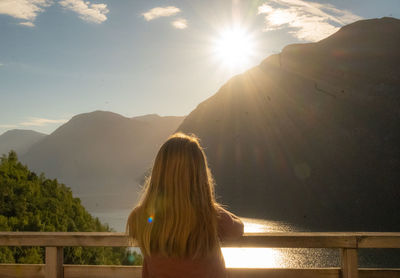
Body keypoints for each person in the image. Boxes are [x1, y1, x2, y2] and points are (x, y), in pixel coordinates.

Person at [126, 133, 244, 278]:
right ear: (199, 175)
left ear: (159, 172)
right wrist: (209, 204)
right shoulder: (209, 216)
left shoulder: (140, 217)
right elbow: (237, 229)